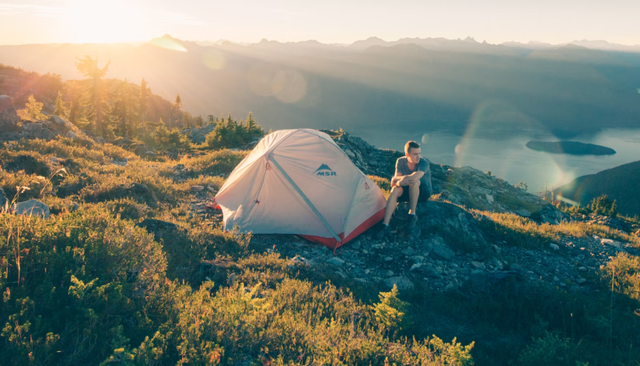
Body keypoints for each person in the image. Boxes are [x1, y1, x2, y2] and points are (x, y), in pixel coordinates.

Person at [377, 140, 432, 238]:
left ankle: (412, 213)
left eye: (419, 153)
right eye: (415, 154)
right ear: (407, 155)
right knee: (395, 190)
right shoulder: (400, 161)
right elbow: (394, 181)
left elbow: (413, 178)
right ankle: (385, 224)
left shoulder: (424, 163)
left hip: (423, 192)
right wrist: (399, 181)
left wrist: (400, 181)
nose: (418, 156)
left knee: (415, 182)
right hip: (407, 190)